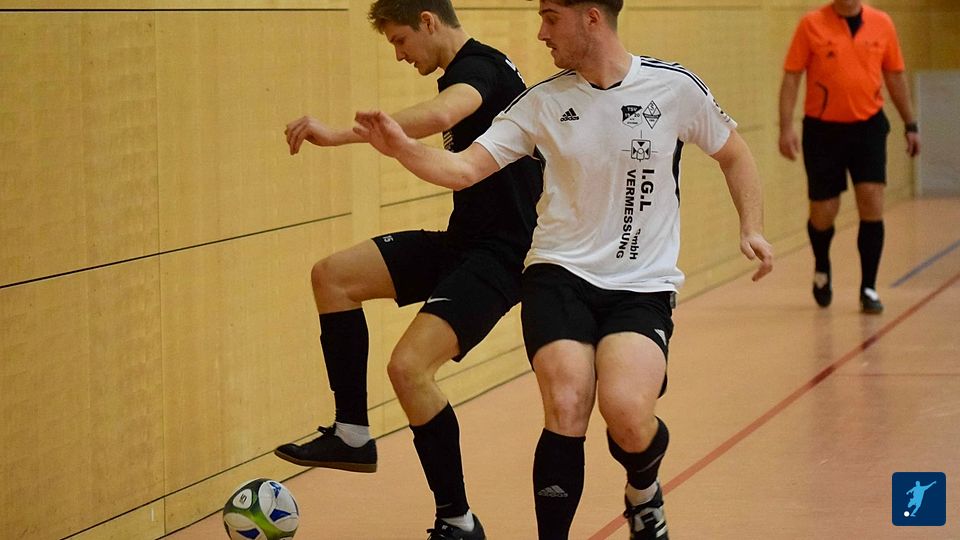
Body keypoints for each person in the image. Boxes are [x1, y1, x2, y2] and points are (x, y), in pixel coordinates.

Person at [353, 1, 774, 538]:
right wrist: (401, 148)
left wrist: (752, 227)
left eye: (552, 18)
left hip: (640, 285)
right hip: (558, 275)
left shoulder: (673, 88)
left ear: (591, 17)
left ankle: (643, 488)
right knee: (568, 401)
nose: (541, 32)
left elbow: (734, 154)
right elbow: (463, 168)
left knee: (627, 414)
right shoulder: (542, 102)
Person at [274, 1, 542, 538]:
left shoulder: (480, 68)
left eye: (400, 40)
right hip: (463, 242)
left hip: (501, 257)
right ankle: (351, 433)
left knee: (409, 369)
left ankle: (458, 521)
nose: (399, 55)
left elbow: (442, 114)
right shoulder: (471, 68)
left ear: (428, 20)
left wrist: (341, 134)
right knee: (333, 276)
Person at [778, 0, 920, 314]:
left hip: (868, 127)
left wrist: (910, 124)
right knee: (824, 211)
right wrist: (786, 127)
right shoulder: (811, 24)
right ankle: (822, 264)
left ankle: (868, 287)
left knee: (871, 201)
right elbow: (792, 77)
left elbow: (895, 75)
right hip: (822, 130)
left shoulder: (882, 23)